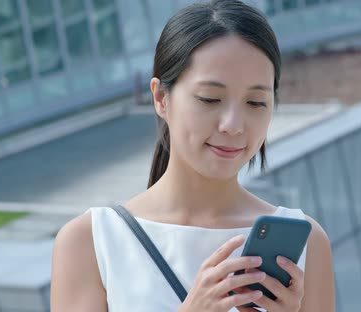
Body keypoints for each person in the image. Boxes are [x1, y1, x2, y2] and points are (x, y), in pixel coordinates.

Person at [50, 0, 335, 311]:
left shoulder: (308, 244)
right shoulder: (90, 242)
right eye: (210, 98)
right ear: (160, 97)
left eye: (255, 102)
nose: (233, 126)